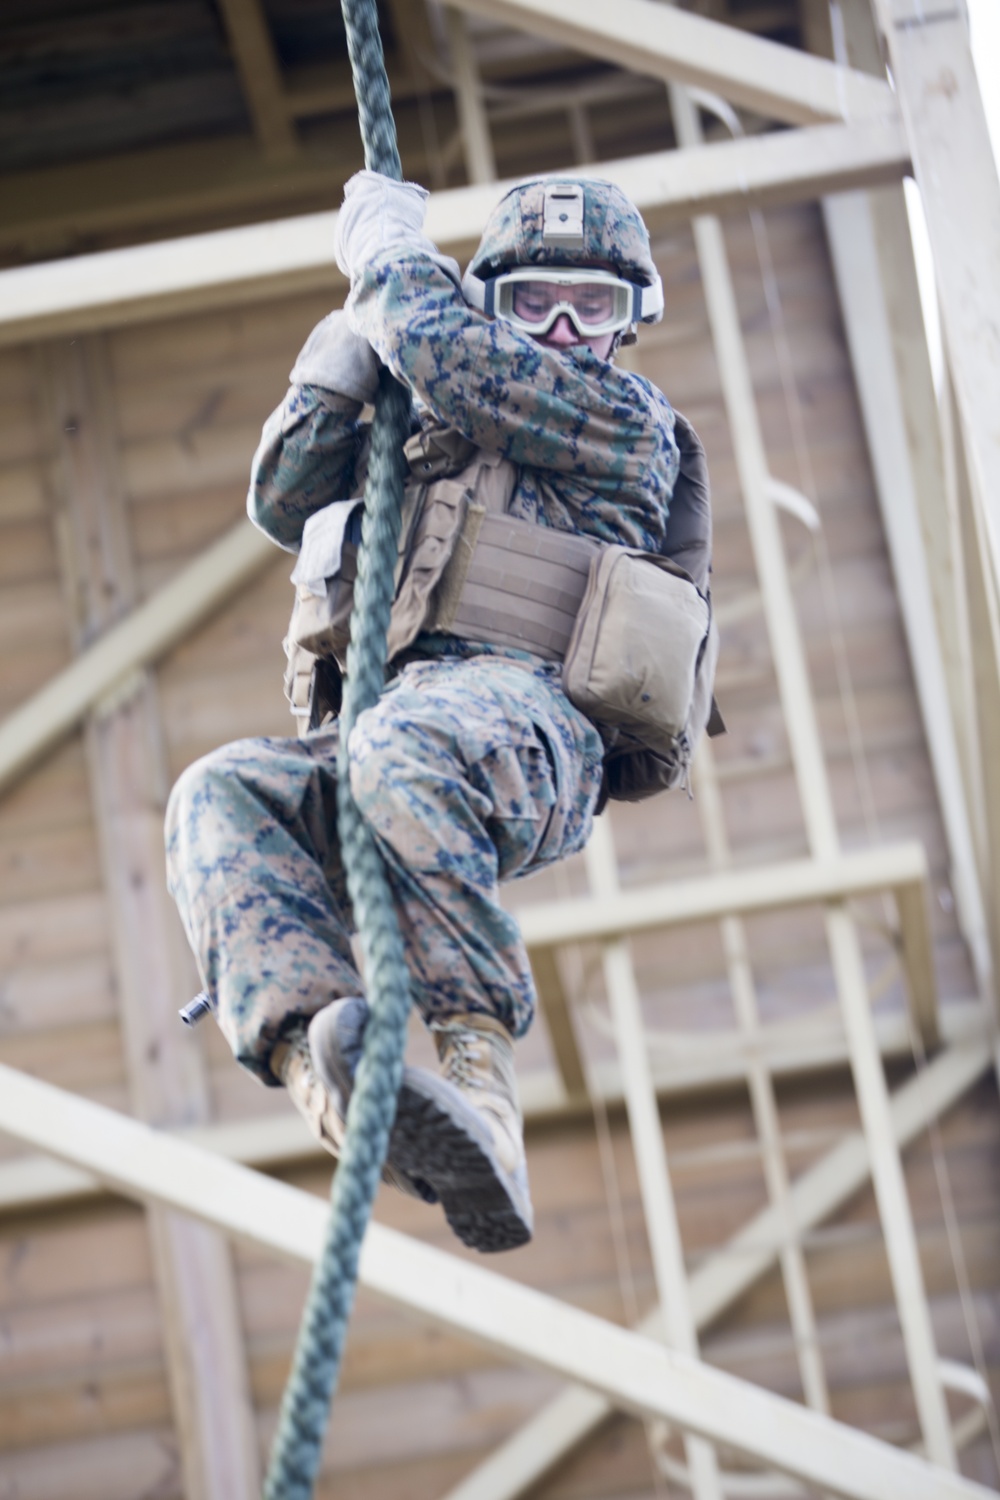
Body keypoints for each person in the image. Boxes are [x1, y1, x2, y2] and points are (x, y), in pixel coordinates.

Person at [165, 171, 717, 1254]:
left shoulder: (626, 426)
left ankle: (481, 1082)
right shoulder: (427, 405)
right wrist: (350, 346)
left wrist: (394, 273)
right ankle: (328, 1074)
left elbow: (460, 361)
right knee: (219, 793)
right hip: (397, 732)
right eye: (535, 303)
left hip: (531, 730)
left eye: (592, 307)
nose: (563, 329)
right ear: (493, 300)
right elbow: (282, 496)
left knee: (399, 745)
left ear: (629, 325)